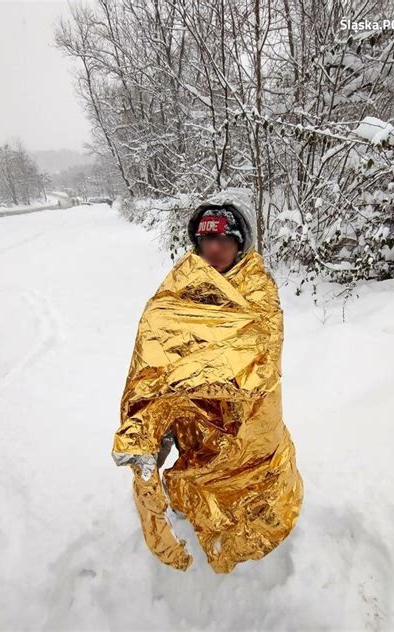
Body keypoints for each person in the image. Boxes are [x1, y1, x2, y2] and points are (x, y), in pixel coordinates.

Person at [111, 190, 304, 573]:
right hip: (194, 417)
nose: (214, 248)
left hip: (247, 417)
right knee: (198, 462)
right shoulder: (179, 289)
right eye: (206, 240)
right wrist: (154, 406)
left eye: (224, 239)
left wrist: (187, 376)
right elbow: (154, 343)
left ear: (239, 242)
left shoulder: (257, 288)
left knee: (254, 482)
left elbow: (258, 355)